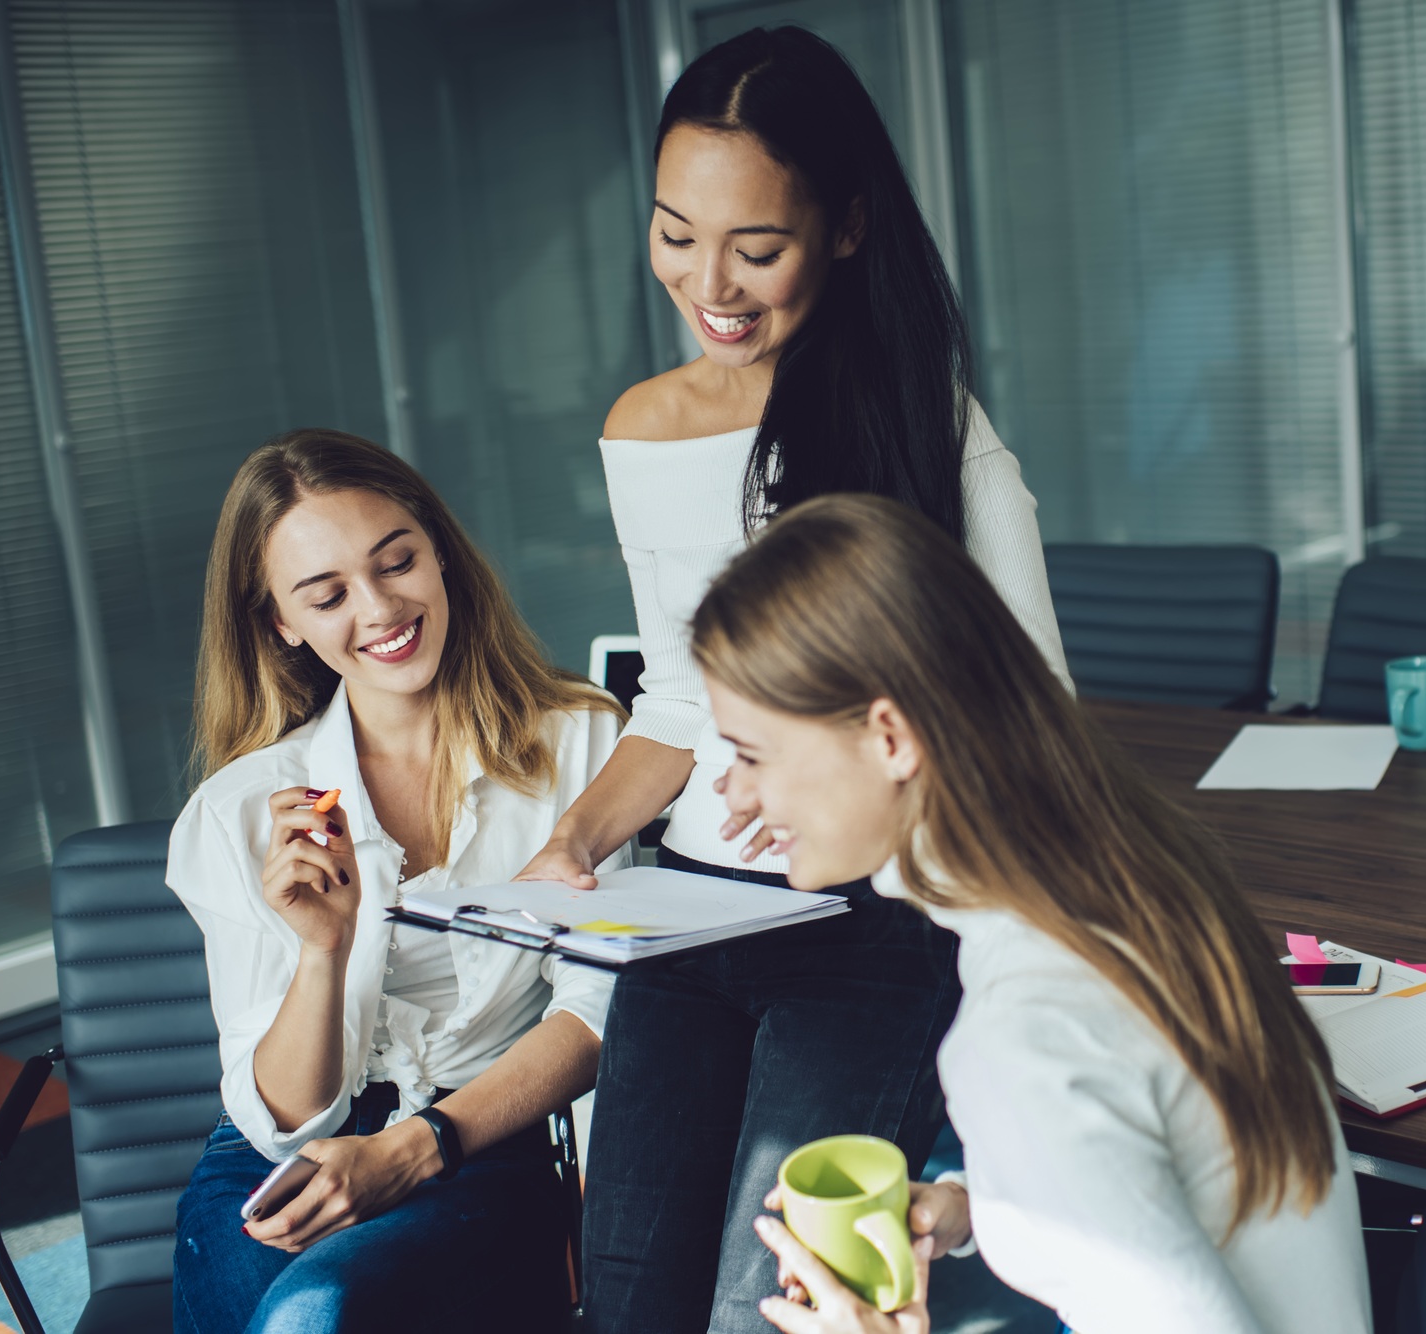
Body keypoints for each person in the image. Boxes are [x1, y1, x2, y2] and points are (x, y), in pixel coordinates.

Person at [508, 26, 1069, 1333]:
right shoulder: (639, 429)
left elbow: (1033, 723)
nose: (710, 282)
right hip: (684, 916)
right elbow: (682, 700)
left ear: (848, 228)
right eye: (674, 233)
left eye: (756, 248)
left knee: (777, 1308)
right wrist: (578, 838)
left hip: (868, 918)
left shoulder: (931, 433)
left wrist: (850, 769)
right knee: (630, 1302)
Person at [692, 495, 1372, 1334]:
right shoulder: (1124, 867)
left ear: (891, 737)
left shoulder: (1025, 1034)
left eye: (752, 753)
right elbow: (1151, 1145)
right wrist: (989, 1204)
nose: (735, 792)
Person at [167, 429, 632, 1333]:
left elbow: (599, 1012)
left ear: (440, 553)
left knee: (310, 1316)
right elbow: (285, 1123)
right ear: (281, 623)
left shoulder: (584, 743)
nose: (380, 608)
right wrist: (323, 949)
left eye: (396, 561)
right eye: (327, 593)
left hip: (483, 1138)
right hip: (277, 1151)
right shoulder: (240, 810)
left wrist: (418, 1148)